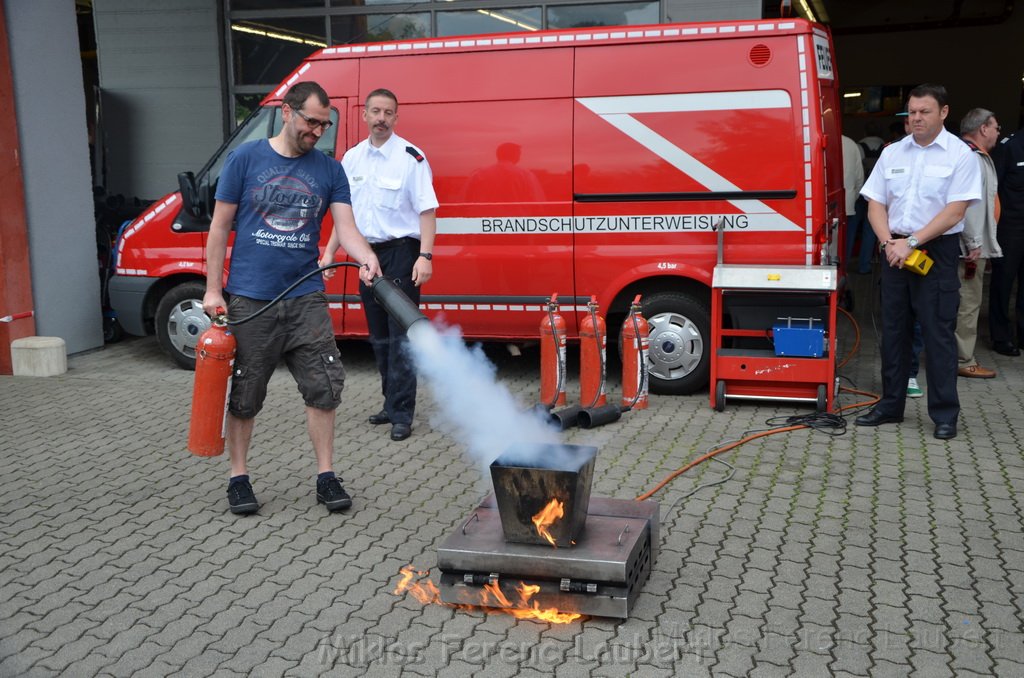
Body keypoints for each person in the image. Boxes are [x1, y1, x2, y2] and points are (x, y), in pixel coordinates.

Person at [203, 81, 382, 515]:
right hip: (251, 298)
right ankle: (239, 477)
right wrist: (212, 288)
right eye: (311, 121)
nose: (317, 131)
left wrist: (366, 257)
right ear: (286, 112)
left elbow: (347, 227)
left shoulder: (329, 169)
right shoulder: (244, 159)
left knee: (323, 386)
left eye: (324, 124)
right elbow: (219, 227)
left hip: (306, 296)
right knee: (246, 391)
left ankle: (325, 476)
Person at [854, 84, 981, 441]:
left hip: (934, 252)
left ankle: (944, 414)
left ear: (943, 112)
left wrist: (911, 242)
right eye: (911, 112)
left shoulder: (960, 155)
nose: (916, 118)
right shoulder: (893, 153)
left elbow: (956, 209)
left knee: (938, 334)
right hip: (894, 250)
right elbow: (875, 202)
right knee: (894, 332)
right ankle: (890, 406)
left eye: (924, 111)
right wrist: (888, 243)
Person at [322, 88, 438, 442]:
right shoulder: (352, 159)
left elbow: (427, 210)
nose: (381, 118)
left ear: (396, 118)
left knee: (401, 337)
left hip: (402, 254)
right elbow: (345, 218)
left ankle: (403, 414)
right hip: (366, 256)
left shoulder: (411, 157)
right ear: (364, 115)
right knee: (379, 338)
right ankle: (390, 404)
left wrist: (426, 255)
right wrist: (329, 254)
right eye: (375, 111)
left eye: (388, 112)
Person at [956, 108, 1002, 378]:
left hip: (969, 244)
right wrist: (974, 243)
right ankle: (964, 359)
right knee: (968, 303)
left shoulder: (970, 154)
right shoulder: (972, 158)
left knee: (962, 302)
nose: (998, 132)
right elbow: (970, 205)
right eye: (996, 127)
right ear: (983, 129)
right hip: (970, 248)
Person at [989, 122, 1024, 356]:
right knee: (1003, 283)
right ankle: (1001, 337)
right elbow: (993, 189)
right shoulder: (1010, 147)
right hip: (1011, 228)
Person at [841, 135, 868, 273]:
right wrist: (852, 197)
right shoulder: (851, 144)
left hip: (818, 209)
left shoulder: (810, 139)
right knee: (845, 244)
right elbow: (859, 178)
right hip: (847, 205)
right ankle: (842, 273)